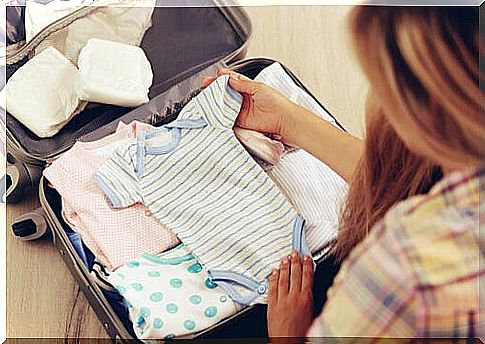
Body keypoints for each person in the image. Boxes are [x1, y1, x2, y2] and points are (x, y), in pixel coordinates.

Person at [203, 5, 483, 341]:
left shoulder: (404, 270)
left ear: (425, 110)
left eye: (379, 85)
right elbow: (405, 183)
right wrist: (287, 119)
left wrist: (287, 335)